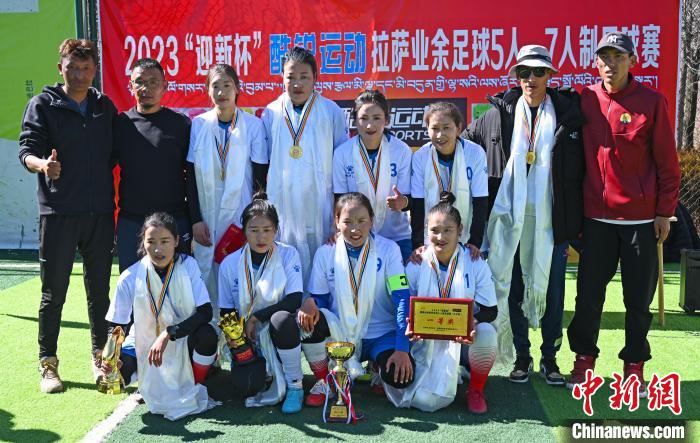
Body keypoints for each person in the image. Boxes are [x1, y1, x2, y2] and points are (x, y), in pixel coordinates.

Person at [567, 33, 681, 393]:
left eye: (618, 57)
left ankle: (634, 365)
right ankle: (584, 360)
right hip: (595, 221)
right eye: (604, 57)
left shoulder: (652, 102)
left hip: (641, 222)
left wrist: (664, 212)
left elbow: (668, 165)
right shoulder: (585, 99)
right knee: (588, 297)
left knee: (637, 301)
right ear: (595, 62)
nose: (610, 64)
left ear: (632, 61)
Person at [466, 45, 585, 386]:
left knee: (553, 291)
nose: (531, 79)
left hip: (552, 222)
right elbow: (463, 143)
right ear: (516, 76)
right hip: (510, 221)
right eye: (524, 72)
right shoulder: (499, 113)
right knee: (513, 288)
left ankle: (550, 358)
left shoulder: (568, 114)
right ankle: (522, 356)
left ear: (550, 76)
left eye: (538, 72)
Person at [18, 38, 117, 393]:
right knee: (53, 294)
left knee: (100, 293)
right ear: (59, 67)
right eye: (72, 67)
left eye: (85, 68)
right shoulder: (42, 105)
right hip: (58, 213)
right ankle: (48, 363)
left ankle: (102, 360)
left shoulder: (104, 106)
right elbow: (26, 150)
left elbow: (116, 152)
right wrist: (43, 165)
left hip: (99, 214)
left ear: (95, 70)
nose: (78, 74)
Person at [297, 192, 414, 408]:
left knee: (401, 377)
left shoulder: (389, 249)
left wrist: (401, 348)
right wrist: (311, 303)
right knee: (308, 318)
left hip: (381, 334)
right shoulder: (325, 252)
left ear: (372, 220)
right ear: (336, 222)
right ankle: (324, 380)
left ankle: (378, 367)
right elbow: (320, 299)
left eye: (361, 221)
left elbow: (401, 299)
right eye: (347, 222)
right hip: (341, 334)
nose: (354, 229)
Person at [104, 212, 219, 421]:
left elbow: (205, 312)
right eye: (151, 242)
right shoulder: (130, 276)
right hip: (144, 342)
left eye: (165, 241)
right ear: (143, 242)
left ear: (176, 241)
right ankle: (142, 377)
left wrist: (168, 333)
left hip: (182, 337)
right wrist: (112, 356)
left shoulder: (188, 266)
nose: (158, 249)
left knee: (208, 335)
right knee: (119, 374)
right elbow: (117, 324)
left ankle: (194, 384)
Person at [400, 193, 498, 414]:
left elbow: (491, 311)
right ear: (426, 231)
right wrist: (409, 324)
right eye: (434, 230)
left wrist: (471, 322)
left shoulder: (475, 262)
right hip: (423, 341)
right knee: (424, 400)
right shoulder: (416, 263)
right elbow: (403, 305)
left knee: (487, 332)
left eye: (448, 230)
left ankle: (476, 389)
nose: (440, 237)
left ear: (460, 230)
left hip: (462, 340)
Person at [261, 47, 348, 283]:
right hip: (283, 201)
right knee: (284, 257)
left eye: (304, 77)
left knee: (322, 258)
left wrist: (339, 207)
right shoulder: (271, 112)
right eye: (291, 77)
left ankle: (318, 302)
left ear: (315, 78)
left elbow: (341, 160)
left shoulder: (330, 111)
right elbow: (264, 161)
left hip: (319, 200)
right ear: (282, 77)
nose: (297, 84)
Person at [188, 64, 267, 310]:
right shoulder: (199, 124)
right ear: (207, 90)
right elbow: (190, 176)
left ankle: (242, 329)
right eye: (215, 86)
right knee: (207, 274)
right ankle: (211, 327)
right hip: (207, 217)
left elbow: (260, 178)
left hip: (239, 217)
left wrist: (252, 222)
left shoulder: (253, 125)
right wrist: (195, 219)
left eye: (227, 85)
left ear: (237, 89)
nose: (221, 92)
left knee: (239, 275)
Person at [218, 192, 305, 413]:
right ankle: (262, 370)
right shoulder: (229, 263)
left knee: (281, 319)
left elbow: (294, 300)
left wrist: (256, 318)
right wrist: (237, 340)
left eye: (267, 230)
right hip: (248, 337)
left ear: (276, 230)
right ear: (244, 231)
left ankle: (295, 385)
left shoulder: (288, 254)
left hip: (280, 331)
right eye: (254, 230)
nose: (261, 237)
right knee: (247, 386)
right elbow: (226, 311)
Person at [114, 58, 197, 272]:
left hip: (174, 220)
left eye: (153, 82)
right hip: (132, 221)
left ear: (165, 86)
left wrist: (195, 219)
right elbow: (101, 168)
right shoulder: (120, 124)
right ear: (131, 86)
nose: (146, 88)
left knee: (179, 285)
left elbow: (193, 175)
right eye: (140, 82)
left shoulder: (181, 124)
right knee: (132, 285)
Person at [333, 90, 413, 261]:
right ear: (355, 120)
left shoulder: (402, 150)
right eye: (364, 118)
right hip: (356, 236)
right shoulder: (342, 153)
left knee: (402, 277)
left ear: (387, 120)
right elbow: (339, 200)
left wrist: (403, 202)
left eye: (376, 118)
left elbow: (409, 198)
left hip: (397, 237)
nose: (370, 125)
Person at [410, 102, 488, 260]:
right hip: (433, 240)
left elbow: (480, 201)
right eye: (435, 128)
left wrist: (475, 242)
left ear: (458, 129)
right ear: (427, 129)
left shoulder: (475, 153)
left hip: (468, 239)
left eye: (446, 128)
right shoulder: (420, 156)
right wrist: (418, 244)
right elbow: (417, 204)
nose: (440, 135)